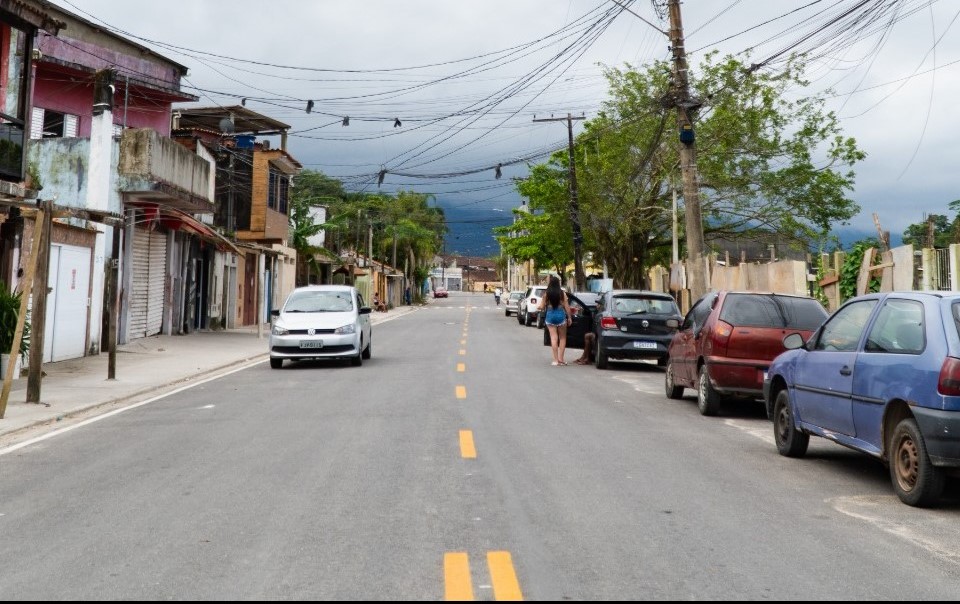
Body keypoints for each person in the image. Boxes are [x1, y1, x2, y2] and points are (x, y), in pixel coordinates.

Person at [537, 275, 572, 366]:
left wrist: (538, 307)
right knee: (563, 338)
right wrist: (569, 317)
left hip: (550, 315)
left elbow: (541, 306)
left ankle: (555, 360)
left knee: (553, 338)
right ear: (558, 284)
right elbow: (567, 307)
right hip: (560, 315)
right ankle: (561, 359)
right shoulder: (562, 293)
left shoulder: (546, 294)